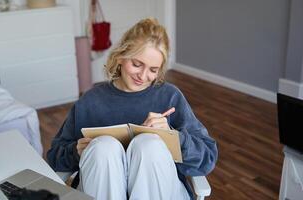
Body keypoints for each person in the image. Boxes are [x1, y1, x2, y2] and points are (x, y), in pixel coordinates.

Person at [47, 18, 218, 200]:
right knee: (103, 147)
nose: (143, 76)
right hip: (100, 190)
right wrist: (76, 151)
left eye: (153, 70)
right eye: (137, 64)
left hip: (161, 190)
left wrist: (174, 138)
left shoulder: (170, 97)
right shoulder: (90, 101)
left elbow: (207, 158)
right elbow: (55, 157)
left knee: (149, 145)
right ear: (121, 56)